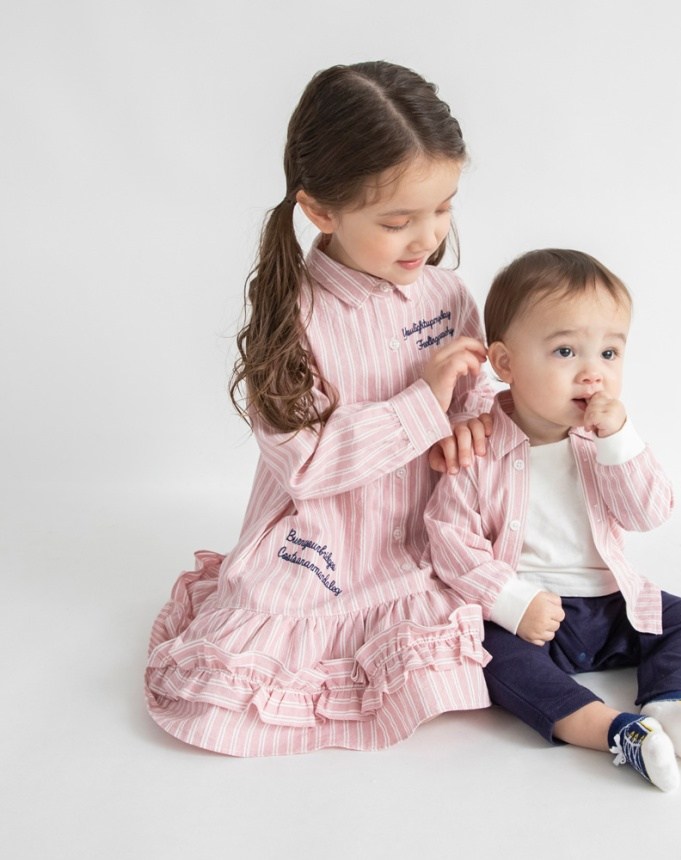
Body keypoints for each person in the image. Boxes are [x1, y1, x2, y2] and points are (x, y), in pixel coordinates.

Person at [145, 61, 497, 756]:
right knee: (247, 678)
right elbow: (305, 465)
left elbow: (476, 393)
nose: (427, 238)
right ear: (321, 211)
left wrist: (468, 423)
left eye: (443, 207)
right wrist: (423, 403)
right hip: (324, 546)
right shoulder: (293, 321)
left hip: (433, 532)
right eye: (397, 221)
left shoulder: (448, 295)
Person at [425, 248, 681, 791]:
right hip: (529, 617)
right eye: (565, 351)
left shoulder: (604, 444)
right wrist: (512, 601)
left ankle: (677, 703)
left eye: (609, 353)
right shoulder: (479, 446)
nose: (593, 373)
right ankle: (612, 730)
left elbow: (648, 512)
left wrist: (620, 442)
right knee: (483, 652)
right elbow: (450, 541)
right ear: (506, 364)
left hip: (611, 604)